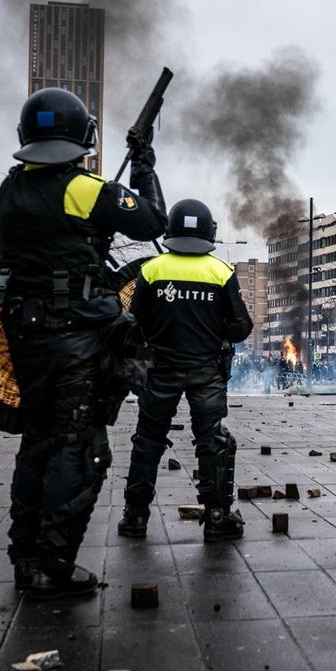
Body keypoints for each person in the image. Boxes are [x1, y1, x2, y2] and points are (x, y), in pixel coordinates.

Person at [0, 87, 167, 599]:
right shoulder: (83, 189)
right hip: (78, 340)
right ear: (82, 137)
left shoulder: (3, 192)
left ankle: (25, 560)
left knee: (37, 439)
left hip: (25, 335)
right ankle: (53, 565)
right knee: (79, 448)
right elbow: (154, 222)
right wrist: (145, 165)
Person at [119, 199, 253, 542]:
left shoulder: (150, 270)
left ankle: (135, 516)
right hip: (205, 372)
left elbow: (136, 325)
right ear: (209, 232)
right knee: (212, 442)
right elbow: (241, 327)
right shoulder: (221, 272)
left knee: (147, 441)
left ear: (171, 231)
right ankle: (218, 516)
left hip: (159, 371)